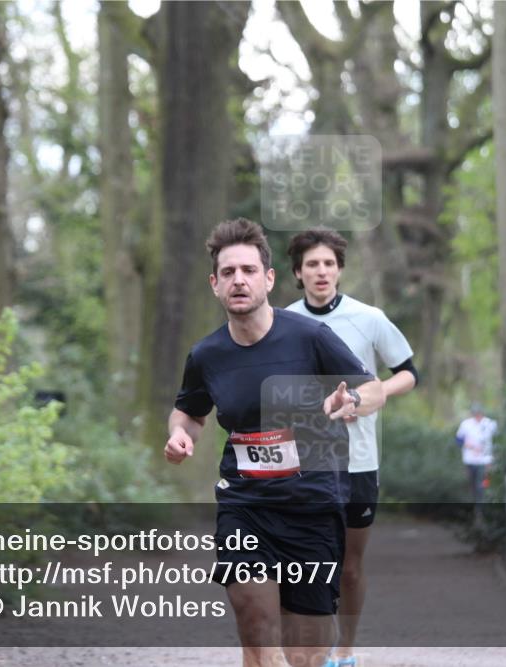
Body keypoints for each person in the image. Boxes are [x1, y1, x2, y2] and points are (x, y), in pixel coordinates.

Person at [164, 218, 385, 667]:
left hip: (312, 506)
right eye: (228, 272)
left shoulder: (309, 337)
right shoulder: (207, 355)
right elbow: (189, 411)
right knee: (256, 630)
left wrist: (354, 399)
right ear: (215, 284)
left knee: (305, 653)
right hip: (246, 503)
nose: (238, 280)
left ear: (268, 279)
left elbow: (374, 388)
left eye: (248, 270)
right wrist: (179, 436)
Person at [285, 228, 418, 667]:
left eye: (328, 263)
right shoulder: (282, 321)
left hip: (358, 461)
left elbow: (408, 372)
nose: (321, 271)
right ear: (296, 273)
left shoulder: (369, 317)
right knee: (307, 561)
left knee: (350, 565)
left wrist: (369, 395)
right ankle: (314, 649)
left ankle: (345, 649)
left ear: (339, 269)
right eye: (311, 264)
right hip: (303, 462)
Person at [455, 403, 498, 511]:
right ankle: (474, 507)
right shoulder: (466, 424)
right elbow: (458, 440)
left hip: (484, 460)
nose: (477, 416)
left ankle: (481, 508)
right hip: (470, 460)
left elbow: (498, 439)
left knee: (482, 484)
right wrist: (470, 445)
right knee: (473, 485)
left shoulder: (490, 423)